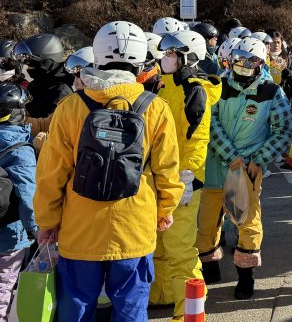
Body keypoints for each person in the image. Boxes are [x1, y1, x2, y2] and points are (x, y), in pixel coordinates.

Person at [34, 21, 183, 322]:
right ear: (141, 60)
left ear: (97, 57)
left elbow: (51, 173)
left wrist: (47, 221)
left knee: (75, 308)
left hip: (79, 232)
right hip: (134, 229)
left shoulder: (71, 107)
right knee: (130, 309)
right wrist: (164, 210)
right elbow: (168, 171)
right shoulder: (155, 107)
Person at [198, 37, 291, 299]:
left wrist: (256, 160)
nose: (244, 65)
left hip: (249, 169)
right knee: (207, 223)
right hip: (215, 167)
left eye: (251, 61)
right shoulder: (218, 85)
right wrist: (231, 155)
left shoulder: (272, 91)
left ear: (261, 63)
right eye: (239, 59)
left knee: (247, 223)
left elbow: (282, 130)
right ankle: (210, 266)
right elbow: (211, 122)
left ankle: (246, 276)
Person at [149, 30, 222, 317]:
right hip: (162, 177)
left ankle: (190, 313)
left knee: (181, 250)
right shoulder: (165, 86)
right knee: (160, 245)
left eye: (170, 54)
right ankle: (162, 296)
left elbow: (197, 140)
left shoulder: (194, 90)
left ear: (186, 57)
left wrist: (187, 177)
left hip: (182, 180)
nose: (165, 59)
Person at [0, 84, 37, 322]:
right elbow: (27, 192)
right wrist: (37, 228)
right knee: (3, 285)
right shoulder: (20, 148)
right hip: (9, 234)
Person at [13, 34, 72, 118]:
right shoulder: (37, 82)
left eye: (29, 61)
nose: (26, 65)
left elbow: (48, 126)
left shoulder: (61, 92)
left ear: (44, 62)